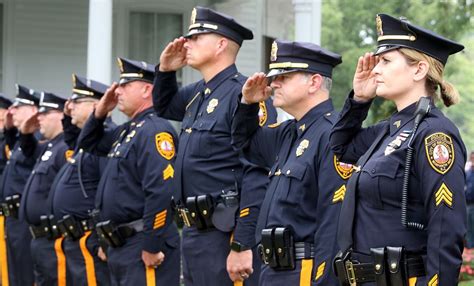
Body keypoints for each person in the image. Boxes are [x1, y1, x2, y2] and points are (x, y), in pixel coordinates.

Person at [330, 14, 466, 285]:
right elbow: (341, 148)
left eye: (386, 61)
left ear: (419, 70)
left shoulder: (434, 134)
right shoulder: (389, 129)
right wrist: (359, 100)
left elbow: (445, 229)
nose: (375, 69)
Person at [153, 6, 277, 285]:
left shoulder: (245, 94)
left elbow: (257, 172)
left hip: (225, 233)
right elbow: (162, 106)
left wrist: (242, 243)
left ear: (221, 44)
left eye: (197, 37)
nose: (187, 43)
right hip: (195, 233)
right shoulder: (197, 94)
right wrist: (164, 71)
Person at [231, 40, 350, 285]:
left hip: (304, 271)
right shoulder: (289, 132)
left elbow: (333, 223)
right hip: (274, 270)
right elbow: (246, 146)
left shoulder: (333, 135)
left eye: (284, 77)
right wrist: (248, 105)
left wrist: (322, 280)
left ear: (314, 82)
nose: (274, 83)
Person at [78, 57, 180, 285]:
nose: (118, 91)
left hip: (142, 242)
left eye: (125, 86)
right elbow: (87, 143)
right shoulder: (128, 131)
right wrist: (100, 112)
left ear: (146, 90)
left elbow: (161, 191)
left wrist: (152, 245)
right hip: (121, 246)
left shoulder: (154, 130)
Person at [49, 74, 112, 285]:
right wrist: (68, 118)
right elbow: (73, 140)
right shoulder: (88, 140)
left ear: (96, 105)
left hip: (90, 237)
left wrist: (104, 238)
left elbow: (108, 190)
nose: (70, 106)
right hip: (76, 238)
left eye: (77, 102)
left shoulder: (105, 138)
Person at [19, 91, 70, 285]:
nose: (39, 118)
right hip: (39, 237)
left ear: (61, 115)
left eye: (45, 113)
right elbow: (29, 151)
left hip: (54, 237)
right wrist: (25, 133)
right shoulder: (50, 146)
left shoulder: (65, 147)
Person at [0, 84, 40, 286]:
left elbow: (30, 153)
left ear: (34, 111)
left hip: (24, 220)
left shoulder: (37, 140)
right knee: (13, 275)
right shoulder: (18, 140)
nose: (12, 110)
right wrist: (8, 129)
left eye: (19, 106)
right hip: (12, 220)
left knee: (25, 276)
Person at [466, 152, 474, 248]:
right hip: (468, 204)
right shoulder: (468, 172)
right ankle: (469, 246)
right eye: (472, 158)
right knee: (469, 226)